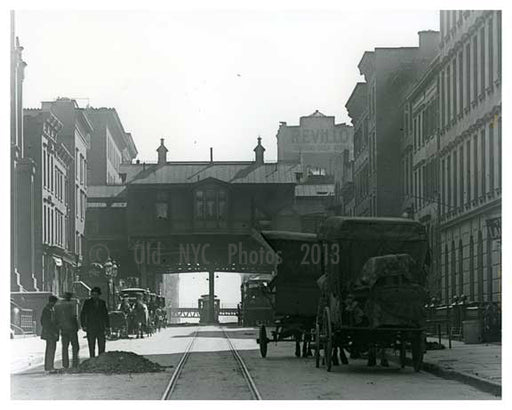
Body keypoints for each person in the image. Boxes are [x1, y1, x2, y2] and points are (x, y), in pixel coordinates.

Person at [80, 287, 110, 358]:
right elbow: (83, 314)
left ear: (99, 295)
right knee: (91, 345)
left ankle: (101, 359)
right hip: (91, 327)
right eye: (93, 294)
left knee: (102, 345)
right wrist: (83, 325)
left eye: (96, 294)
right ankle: (92, 359)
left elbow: (105, 315)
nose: (94, 296)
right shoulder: (87, 303)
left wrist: (108, 326)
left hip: (100, 327)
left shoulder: (102, 303)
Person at [55, 292, 80, 369]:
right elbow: (74, 317)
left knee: (65, 347)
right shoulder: (72, 305)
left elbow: (58, 317)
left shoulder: (59, 305)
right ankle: (75, 363)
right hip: (72, 329)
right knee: (75, 347)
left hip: (64, 329)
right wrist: (77, 327)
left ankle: (65, 364)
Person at [40, 295, 59, 372]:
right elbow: (46, 322)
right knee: (50, 349)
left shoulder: (50, 309)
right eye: (54, 302)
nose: (55, 304)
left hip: (51, 332)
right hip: (50, 333)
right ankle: (49, 366)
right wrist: (52, 331)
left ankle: (50, 365)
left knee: (51, 349)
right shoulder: (48, 310)